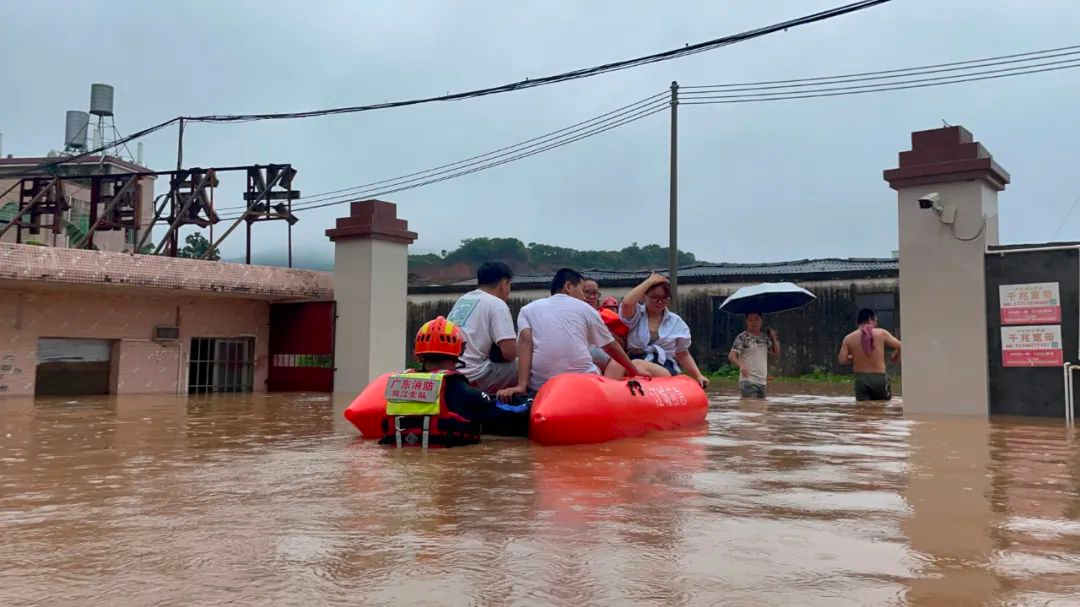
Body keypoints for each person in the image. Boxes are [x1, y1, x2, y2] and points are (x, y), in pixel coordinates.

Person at [380, 316, 528, 448]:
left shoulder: (399, 384)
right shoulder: (456, 389)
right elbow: (503, 412)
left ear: (418, 356)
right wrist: (529, 403)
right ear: (458, 352)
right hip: (442, 467)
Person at [496, 268, 639, 400]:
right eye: (583, 291)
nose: (584, 297)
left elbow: (525, 344)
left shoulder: (527, 309)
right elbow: (610, 346)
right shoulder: (586, 308)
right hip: (583, 383)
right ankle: (612, 396)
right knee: (611, 363)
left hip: (541, 386)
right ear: (569, 287)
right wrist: (634, 371)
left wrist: (521, 386)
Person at [617, 273, 710, 388]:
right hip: (633, 359)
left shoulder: (676, 322)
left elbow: (683, 354)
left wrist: (698, 375)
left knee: (637, 365)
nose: (660, 302)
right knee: (616, 362)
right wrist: (650, 281)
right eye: (655, 297)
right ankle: (609, 393)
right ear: (645, 296)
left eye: (665, 298)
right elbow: (626, 304)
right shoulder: (635, 315)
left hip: (663, 365)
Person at [446, 261, 517, 394]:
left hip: (451, 371)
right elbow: (509, 353)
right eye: (509, 285)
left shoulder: (463, 299)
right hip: (475, 374)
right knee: (526, 365)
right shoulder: (497, 304)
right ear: (503, 283)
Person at [838, 308, 902, 401]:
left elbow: (842, 360)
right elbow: (901, 346)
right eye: (875, 320)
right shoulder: (881, 333)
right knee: (883, 407)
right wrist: (896, 356)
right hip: (879, 378)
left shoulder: (848, 338)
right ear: (870, 320)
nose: (876, 323)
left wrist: (855, 357)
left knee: (863, 409)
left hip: (861, 380)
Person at [728, 312, 781, 399]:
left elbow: (775, 353)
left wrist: (773, 338)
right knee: (751, 407)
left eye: (756, 319)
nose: (754, 322)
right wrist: (741, 366)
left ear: (761, 321)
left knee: (761, 409)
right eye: (750, 320)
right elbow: (731, 356)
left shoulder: (764, 338)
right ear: (746, 322)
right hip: (748, 381)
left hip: (762, 381)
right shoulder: (742, 337)